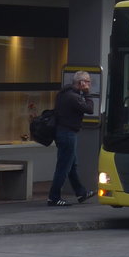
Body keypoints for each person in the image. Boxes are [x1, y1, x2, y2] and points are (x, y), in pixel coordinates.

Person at [47, 71, 96, 206]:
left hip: (63, 133)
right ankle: (54, 197)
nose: (89, 84)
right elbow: (90, 109)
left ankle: (81, 192)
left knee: (71, 165)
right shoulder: (72, 97)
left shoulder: (64, 93)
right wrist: (87, 93)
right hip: (67, 134)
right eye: (87, 82)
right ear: (81, 83)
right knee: (64, 166)